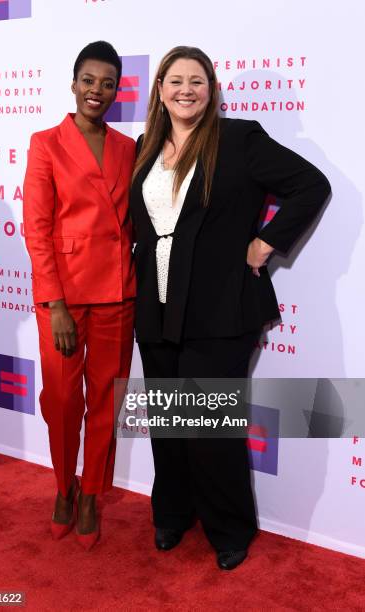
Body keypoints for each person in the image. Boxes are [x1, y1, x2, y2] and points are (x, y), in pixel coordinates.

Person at [130, 46, 330, 570]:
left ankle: (229, 527)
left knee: (210, 427)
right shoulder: (144, 148)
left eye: (197, 80)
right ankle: (173, 513)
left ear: (211, 90)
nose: (185, 90)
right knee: (168, 423)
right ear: (159, 90)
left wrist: (264, 243)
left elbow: (312, 185)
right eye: (175, 80)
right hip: (157, 306)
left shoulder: (239, 139)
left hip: (220, 310)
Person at [23, 41, 136, 550]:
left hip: (116, 291)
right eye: (89, 80)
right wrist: (55, 304)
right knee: (64, 400)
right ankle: (62, 488)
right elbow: (37, 227)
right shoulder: (45, 143)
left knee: (107, 401)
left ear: (117, 90)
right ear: (73, 83)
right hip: (64, 297)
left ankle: (91, 494)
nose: (98, 90)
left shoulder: (128, 149)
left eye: (108, 83)